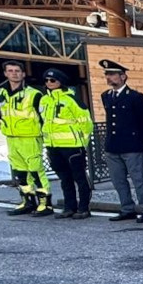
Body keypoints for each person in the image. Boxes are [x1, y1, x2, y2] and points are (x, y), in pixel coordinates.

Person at [99, 59, 143, 223]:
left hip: (132, 146)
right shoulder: (106, 96)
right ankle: (127, 208)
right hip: (113, 146)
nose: (109, 78)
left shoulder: (135, 97)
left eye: (112, 74)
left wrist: (139, 142)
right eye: (107, 75)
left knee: (138, 179)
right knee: (118, 180)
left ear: (123, 76)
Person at [0, 60, 49, 216]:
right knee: (21, 173)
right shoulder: (0, 93)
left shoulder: (34, 94)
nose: (14, 73)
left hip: (30, 137)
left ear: (23, 74)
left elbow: (43, 116)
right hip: (11, 137)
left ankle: (45, 204)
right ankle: (28, 202)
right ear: (5, 73)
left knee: (36, 172)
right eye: (10, 71)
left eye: (17, 71)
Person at [39, 68, 94, 219]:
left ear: (60, 82)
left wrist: (82, 143)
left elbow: (86, 124)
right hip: (53, 146)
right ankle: (69, 207)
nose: (49, 83)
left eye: (53, 80)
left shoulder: (72, 99)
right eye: (47, 80)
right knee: (65, 179)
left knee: (80, 178)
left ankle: (83, 208)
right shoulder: (44, 100)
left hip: (72, 146)